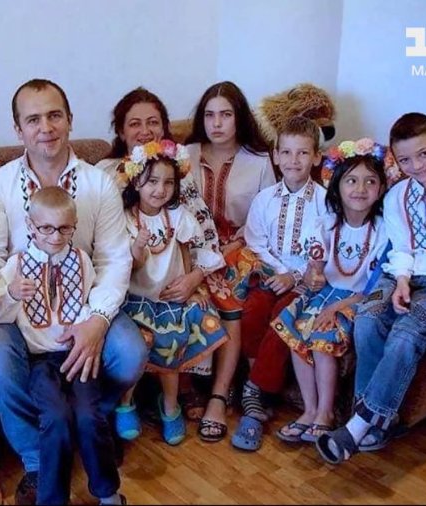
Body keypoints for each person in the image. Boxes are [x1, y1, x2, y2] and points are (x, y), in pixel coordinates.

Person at [0, 78, 147, 505]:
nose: (45, 127)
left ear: (69, 119)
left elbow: (113, 259)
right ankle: (36, 460)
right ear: (18, 129)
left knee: (130, 352)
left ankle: (91, 425)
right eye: (33, 119)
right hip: (17, 306)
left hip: (83, 302)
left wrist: (97, 320)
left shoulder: (99, 184)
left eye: (54, 115)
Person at [316, 113, 426, 464]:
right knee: (367, 318)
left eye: (424, 154)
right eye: (406, 160)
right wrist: (400, 280)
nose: (417, 166)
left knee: (407, 331)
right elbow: (401, 247)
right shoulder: (397, 195)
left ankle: (358, 426)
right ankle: (379, 425)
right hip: (407, 276)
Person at [0, 187, 125, 505]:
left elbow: (89, 301)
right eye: (46, 228)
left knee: (89, 416)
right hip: (40, 361)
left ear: (74, 226)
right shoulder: (16, 266)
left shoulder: (82, 260)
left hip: (76, 355)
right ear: (31, 226)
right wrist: (11, 294)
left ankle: (109, 494)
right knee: (55, 419)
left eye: (64, 229)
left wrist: (87, 325)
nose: (55, 237)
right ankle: (52, 499)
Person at [96, 87, 223, 426]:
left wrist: (194, 278)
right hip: (128, 279)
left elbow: (202, 231)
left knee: (195, 308)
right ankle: (131, 400)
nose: (145, 131)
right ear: (120, 130)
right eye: (134, 123)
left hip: (175, 273)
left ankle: (180, 391)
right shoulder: (104, 172)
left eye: (153, 122)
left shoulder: (176, 169)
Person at [272, 139, 389, 445]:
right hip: (325, 294)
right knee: (298, 330)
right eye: (351, 180)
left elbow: (374, 287)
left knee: (323, 337)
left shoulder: (383, 230)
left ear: (381, 188)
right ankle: (309, 410)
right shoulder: (326, 223)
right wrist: (313, 274)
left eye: (370, 181)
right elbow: (315, 268)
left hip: (357, 300)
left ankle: (326, 413)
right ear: (337, 185)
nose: (360, 189)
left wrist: (335, 309)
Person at [117, 140, 229, 444]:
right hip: (137, 301)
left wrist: (191, 282)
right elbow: (128, 267)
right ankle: (126, 402)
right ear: (136, 182)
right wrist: (138, 246)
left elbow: (191, 253)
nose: (160, 189)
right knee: (137, 346)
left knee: (172, 343)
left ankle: (170, 405)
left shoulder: (179, 217)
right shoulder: (125, 218)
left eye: (168, 182)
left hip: (170, 302)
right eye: (152, 181)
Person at [232, 115, 328, 451]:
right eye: (286, 152)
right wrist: (279, 272)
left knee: (283, 320)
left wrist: (295, 276)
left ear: (316, 157)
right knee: (252, 310)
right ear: (275, 155)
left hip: (307, 284)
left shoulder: (325, 203)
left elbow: (324, 250)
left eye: (302, 153)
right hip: (271, 276)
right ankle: (256, 382)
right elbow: (256, 243)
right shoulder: (265, 199)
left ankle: (255, 393)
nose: (293, 160)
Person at [184, 81, 278, 422]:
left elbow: (268, 216)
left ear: (239, 117)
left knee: (236, 293)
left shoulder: (260, 161)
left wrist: (232, 247)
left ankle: (225, 391)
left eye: (225, 114)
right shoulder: (184, 155)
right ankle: (192, 386)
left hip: (241, 246)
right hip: (190, 249)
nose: (217, 123)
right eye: (209, 115)